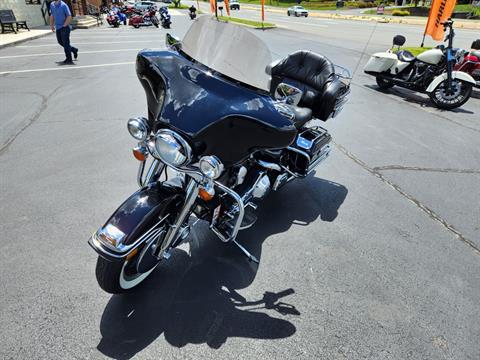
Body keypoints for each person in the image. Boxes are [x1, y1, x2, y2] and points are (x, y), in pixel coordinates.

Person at [50, 0, 78, 65]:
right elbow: (52, 15)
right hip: (58, 27)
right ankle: (74, 50)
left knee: (66, 43)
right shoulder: (52, 4)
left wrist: (64, 25)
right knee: (60, 42)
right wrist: (51, 25)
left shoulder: (64, 5)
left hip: (65, 27)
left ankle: (69, 59)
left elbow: (69, 16)